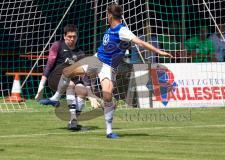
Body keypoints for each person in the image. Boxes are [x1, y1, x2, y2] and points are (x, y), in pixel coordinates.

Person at [41, 4, 172, 138]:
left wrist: (158, 51)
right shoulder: (110, 29)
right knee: (67, 71)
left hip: (108, 67)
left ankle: (109, 131)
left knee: (107, 96)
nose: (105, 16)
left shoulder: (122, 31)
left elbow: (140, 42)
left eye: (106, 13)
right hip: (96, 60)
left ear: (110, 15)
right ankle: (55, 99)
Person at [35, 24, 100, 130]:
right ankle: (69, 114)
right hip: (55, 78)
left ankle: (72, 121)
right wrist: (41, 85)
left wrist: (91, 96)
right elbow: (49, 65)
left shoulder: (80, 53)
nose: (72, 39)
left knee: (82, 91)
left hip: (71, 79)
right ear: (64, 36)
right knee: (70, 84)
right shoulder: (57, 45)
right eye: (69, 36)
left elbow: (84, 76)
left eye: (74, 36)